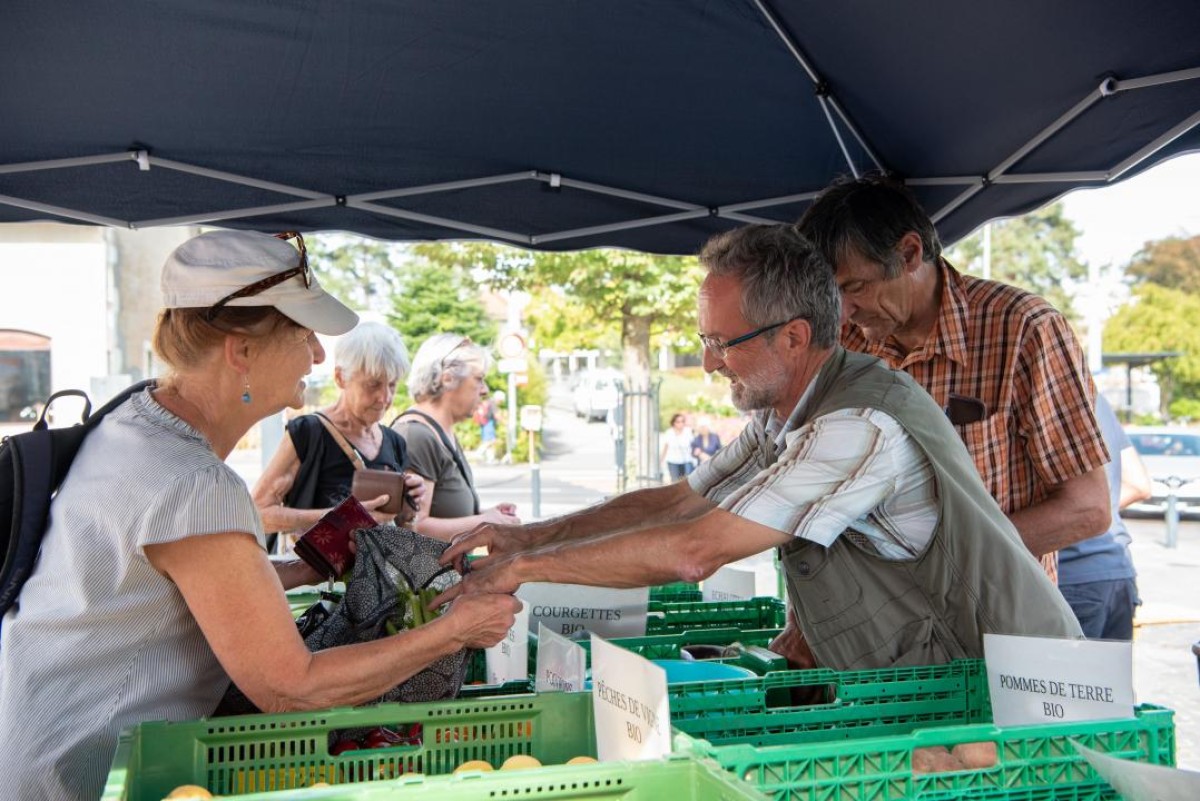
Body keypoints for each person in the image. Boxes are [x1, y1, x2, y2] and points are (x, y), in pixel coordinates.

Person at [0, 231, 520, 801]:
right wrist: (453, 631)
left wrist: (305, 568)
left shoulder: (131, 424)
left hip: (37, 745)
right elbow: (290, 687)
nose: (318, 355)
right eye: (303, 333)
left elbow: (176, 589)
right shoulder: (195, 482)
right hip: (79, 774)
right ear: (241, 351)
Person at [436, 224, 1082, 672]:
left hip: (1008, 690)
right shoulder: (785, 416)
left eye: (722, 343)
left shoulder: (858, 425)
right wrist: (529, 537)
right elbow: (678, 503)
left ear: (793, 338)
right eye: (705, 340)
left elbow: (695, 548)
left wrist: (524, 569)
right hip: (930, 680)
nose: (709, 362)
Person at [797, 174, 1111, 583]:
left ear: (909, 254)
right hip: (874, 608)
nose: (844, 311)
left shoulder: (1022, 329)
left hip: (992, 605)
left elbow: (1086, 509)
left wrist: (940, 564)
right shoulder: (844, 343)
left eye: (855, 286)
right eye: (831, 294)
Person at [253, 321, 421, 545]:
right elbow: (258, 513)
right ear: (341, 378)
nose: (385, 398)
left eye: (392, 385)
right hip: (316, 567)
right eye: (373, 384)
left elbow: (400, 527)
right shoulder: (308, 433)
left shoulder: (394, 442)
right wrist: (342, 517)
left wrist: (409, 506)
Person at [391, 334, 519, 541]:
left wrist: (487, 515)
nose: (485, 390)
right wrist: (484, 523)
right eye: (479, 379)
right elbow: (414, 528)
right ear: (447, 378)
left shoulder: (440, 431)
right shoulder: (416, 434)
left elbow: (444, 512)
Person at [1058, 394, 1152, 639]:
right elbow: (1139, 485)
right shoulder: (1096, 399)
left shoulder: (1051, 394)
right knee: (1110, 667)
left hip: (1071, 579)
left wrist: (1088, 515)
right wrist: (1096, 512)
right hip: (1117, 573)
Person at [660, 412, 695, 481]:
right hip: (673, 461)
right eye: (678, 422)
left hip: (687, 461)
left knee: (686, 481)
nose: (680, 424)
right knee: (675, 482)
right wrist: (661, 460)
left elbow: (694, 445)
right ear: (673, 423)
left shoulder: (688, 431)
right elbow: (665, 447)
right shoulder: (669, 432)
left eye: (682, 421)